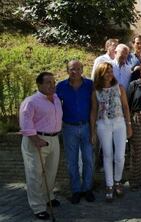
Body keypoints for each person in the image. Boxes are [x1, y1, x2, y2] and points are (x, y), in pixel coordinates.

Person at [20, 72, 62, 220]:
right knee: (35, 175)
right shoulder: (31, 101)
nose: (52, 85)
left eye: (53, 82)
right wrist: (35, 139)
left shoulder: (56, 98)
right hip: (36, 140)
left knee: (51, 172)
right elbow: (25, 123)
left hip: (54, 139)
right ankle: (38, 206)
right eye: (48, 82)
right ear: (39, 85)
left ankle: (47, 197)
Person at [90, 62, 132, 202]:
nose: (109, 74)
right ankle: (109, 185)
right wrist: (93, 132)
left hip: (119, 123)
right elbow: (93, 111)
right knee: (107, 155)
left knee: (120, 156)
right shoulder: (96, 91)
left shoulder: (119, 88)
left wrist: (129, 125)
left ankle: (118, 181)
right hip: (103, 124)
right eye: (106, 71)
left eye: (111, 71)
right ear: (100, 74)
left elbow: (126, 107)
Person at [56, 60, 94, 204]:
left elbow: (95, 106)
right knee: (71, 161)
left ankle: (87, 189)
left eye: (78, 69)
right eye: (72, 69)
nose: (75, 72)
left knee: (88, 160)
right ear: (67, 71)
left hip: (86, 126)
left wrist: (93, 129)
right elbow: (54, 105)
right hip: (69, 128)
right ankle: (76, 190)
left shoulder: (89, 85)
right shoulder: (61, 86)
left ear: (82, 70)